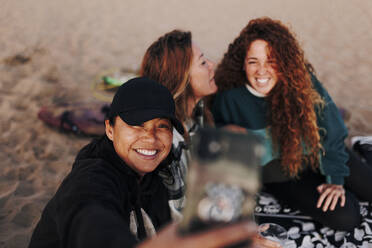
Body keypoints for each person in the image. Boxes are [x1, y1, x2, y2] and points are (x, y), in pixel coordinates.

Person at [29, 77, 279, 248]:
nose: (150, 138)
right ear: (110, 129)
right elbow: (89, 218)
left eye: (162, 126)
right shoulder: (93, 176)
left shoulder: (160, 168)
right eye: (136, 125)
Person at [212, 17, 372, 231]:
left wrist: (335, 179)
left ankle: (362, 150)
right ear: (242, 63)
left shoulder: (303, 82)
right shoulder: (229, 100)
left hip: (319, 152)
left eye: (271, 61)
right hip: (281, 174)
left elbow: (332, 130)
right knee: (348, 218)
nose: (262, 71)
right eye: (253, 61)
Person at [139, 30, 218, 211]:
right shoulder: (168, 144)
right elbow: (177, 217)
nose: (212, 65)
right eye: (203, 63)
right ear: (182, 78)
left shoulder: (196, 113)